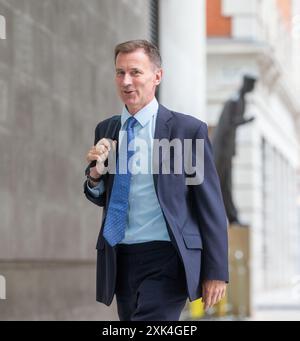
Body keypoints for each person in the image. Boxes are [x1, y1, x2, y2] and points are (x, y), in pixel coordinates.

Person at [84, 40, 228, 321]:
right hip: (119, 257)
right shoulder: (107, 128)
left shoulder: (186, 130)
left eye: (135, 72)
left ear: (157, 76)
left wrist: (216, 271)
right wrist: (95, 174)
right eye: (120, 73)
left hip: (168, 257)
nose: (126, 81)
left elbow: (210, 205)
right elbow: (101, 195)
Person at [212, 75, 257, 225]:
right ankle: (222, 215)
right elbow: (227, 124)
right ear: (246, 84)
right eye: (252, 85)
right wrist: (246, 120)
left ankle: (232, 216)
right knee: (219, 183)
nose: (253, 88)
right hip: (221, 150)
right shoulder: (234, 100)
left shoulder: (241, 100)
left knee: (226, 184)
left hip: (227, 150)